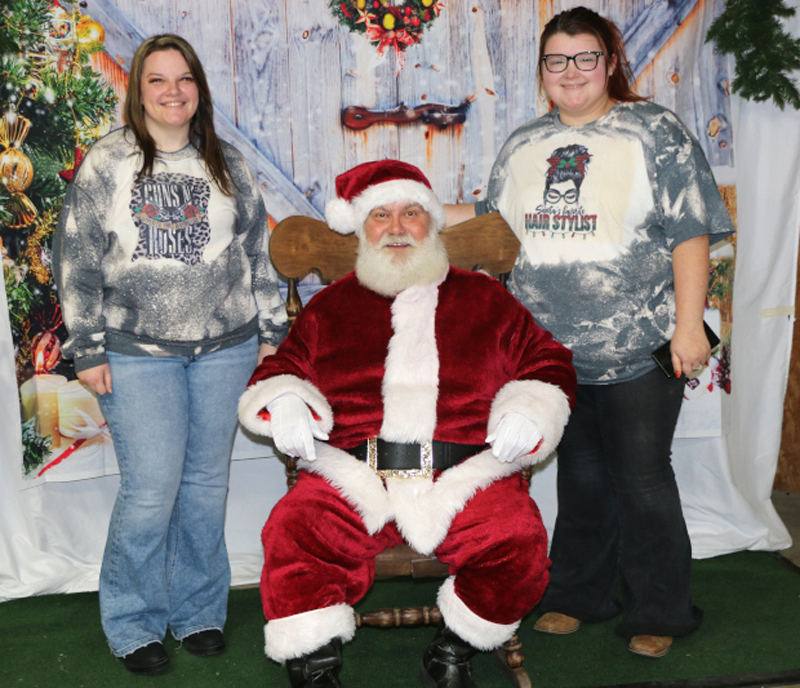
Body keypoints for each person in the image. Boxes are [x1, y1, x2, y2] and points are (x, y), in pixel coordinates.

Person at [444, 6, 735, 659]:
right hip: (549, 354)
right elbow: (490, 228)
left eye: (585, 58)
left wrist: (690, 326)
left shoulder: (654, 131)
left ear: (608, 63)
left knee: (641, 476)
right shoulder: (523, 145)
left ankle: (659, 607)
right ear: (542, 71)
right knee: (578, 475)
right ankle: (579, 596)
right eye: (557, 60)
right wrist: (405, 210)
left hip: (640, 345)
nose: (571, 71)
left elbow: (690, 231)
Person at [237, 159, 577, 688]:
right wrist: (284, 399)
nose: (397, 228)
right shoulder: (329, 308)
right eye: (381, 215)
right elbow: (281, 367)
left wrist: (529, 406)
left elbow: (547, 360)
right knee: (294, 531)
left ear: (432, 222)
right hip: (355, 478)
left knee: (520, 542)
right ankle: (313, 665)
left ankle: (452, 650)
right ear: (362, 228)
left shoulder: (487, 300)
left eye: (411, 213)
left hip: (462, 479)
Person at [53, 34, 287, 674]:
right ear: (139, 91)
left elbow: (257, 256)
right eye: (158, 80)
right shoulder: (108, 163)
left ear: (199, 88)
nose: (173, 92)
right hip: (134, 352)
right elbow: (75, 260)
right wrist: (87, 347)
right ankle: (133, 622)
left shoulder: (227, 162)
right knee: (152, 489)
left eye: (184, 79)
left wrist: (271, 333)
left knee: (207, 483)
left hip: (225, 348)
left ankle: (199, 611)